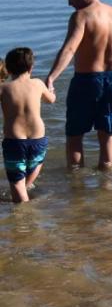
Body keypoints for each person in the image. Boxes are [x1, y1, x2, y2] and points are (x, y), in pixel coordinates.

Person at [45, 0, 112, 171]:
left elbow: (69, 49)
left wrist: (51, 77)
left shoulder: (81, 16)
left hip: (88, 81)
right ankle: (108, 187)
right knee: (108, 134)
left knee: (75, 135)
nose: (69, 3)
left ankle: (76, 187)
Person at [1, 48, 55, 203]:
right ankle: (25, 191)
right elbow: (51, 99)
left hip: (15, 142)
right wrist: (50, 87)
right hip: (38, 140)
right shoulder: (38, 83)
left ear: (8, 69)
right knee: (36, 164)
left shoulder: (3, 88)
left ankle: (22, 218)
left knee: (17, 184)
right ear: (31, 67)